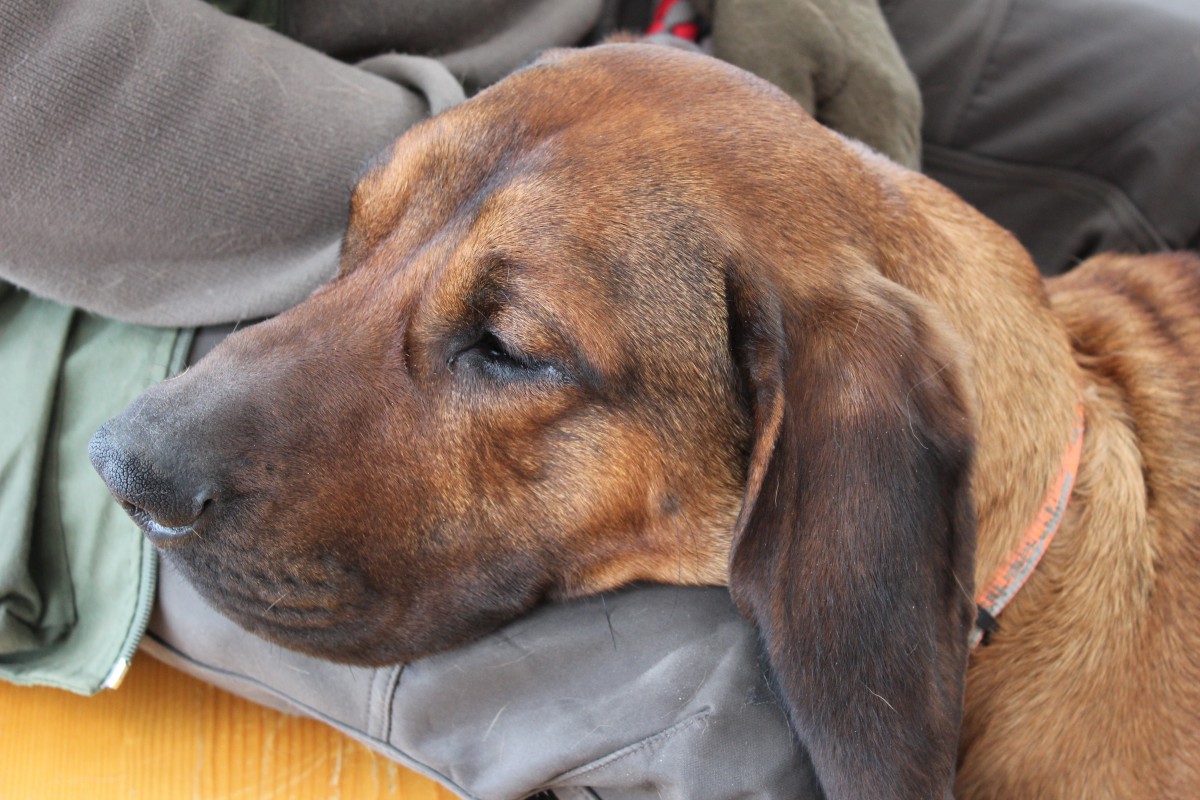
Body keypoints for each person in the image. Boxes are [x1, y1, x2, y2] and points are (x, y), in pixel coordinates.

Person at [2, 1, 1197, 797]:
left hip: (608, 52)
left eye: (504, 347)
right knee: (736, 731)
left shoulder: (848, 405)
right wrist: (504, 172)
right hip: (115, 231)